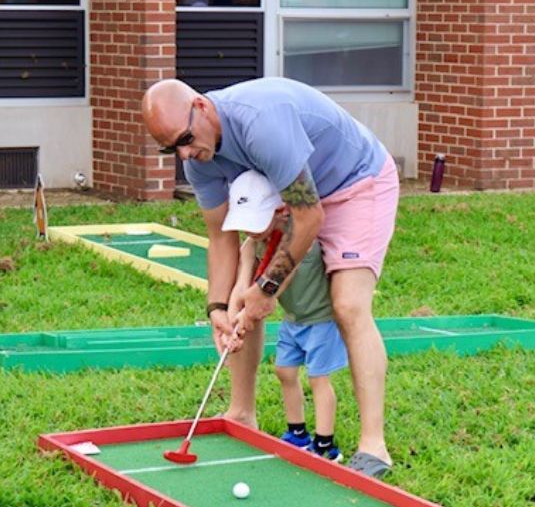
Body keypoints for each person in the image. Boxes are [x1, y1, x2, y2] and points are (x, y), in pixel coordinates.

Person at [141, 77, 400, 479]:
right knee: (240, 299)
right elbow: (220, 236)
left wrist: (267, 288)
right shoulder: (198, 160)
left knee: (348, 304)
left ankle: (373, 446)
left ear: (202, 107)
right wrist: (217, 307)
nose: (185, 154)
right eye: (171, 148)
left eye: (186, 139)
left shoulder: (261, 124)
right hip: (291, 197)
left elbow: (309, 217)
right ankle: (242, 412)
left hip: (356, 183)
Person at [224, 170, 346, 461]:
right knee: (284, 371)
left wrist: (251, 311)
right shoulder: (257, 240)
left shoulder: (300, 241)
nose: (251, 232)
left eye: (256, 223)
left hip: (320, 321)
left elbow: (277, 283)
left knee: (318, 378)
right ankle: (297, 433)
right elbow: (244, 278)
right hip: (293, 320)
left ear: (280, 211)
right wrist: (236, 312)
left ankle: (325, 444)